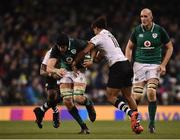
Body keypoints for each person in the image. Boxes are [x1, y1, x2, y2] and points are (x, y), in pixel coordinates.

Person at [72, 16, 144, 134]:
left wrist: (75, 62)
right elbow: (99, 58)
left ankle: (131, 114)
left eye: (93, 30)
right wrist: (93, 57)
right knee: (128, 96)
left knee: (110, 97)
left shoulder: (98, 37)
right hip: (126, 64)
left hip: (117, 67)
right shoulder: (109, 35)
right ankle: (137, 124)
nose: (93, 33)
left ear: (96, 28)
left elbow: (85, 50)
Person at [125, 8, 173, 133]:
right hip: (139, 64)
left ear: (151, 17)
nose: (143, 19)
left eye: (145, 16)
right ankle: (136, 124)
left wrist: (163, 64)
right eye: (141, 16)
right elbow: (129, 47)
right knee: (137, 96)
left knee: (151, 91)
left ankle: (151, 124)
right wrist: (127, 61)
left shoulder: (159, 30)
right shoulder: (137, 30)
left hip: (154, 65)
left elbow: (170, 47)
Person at [46, 32, 96, 134]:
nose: (61, 49)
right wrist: (56, 70)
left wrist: (90, 59)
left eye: (63, 47)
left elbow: (92, 44)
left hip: (78, 71)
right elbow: (49, 67)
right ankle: (83, 126)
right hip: (65, 72)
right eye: (59, 47)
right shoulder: (56, 48)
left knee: (77, 98)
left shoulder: (76, 43)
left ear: (67, 44)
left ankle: (89, 105)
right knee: (67, 101)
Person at [33, 48, 61, 129]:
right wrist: (52, 74)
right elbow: (41, 72)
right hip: (52, 77)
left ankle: (40, 111)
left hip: (65, 75)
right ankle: (55, 114)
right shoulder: (49, 54)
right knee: (52, 97)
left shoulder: (68, 50)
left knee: (62, 97)